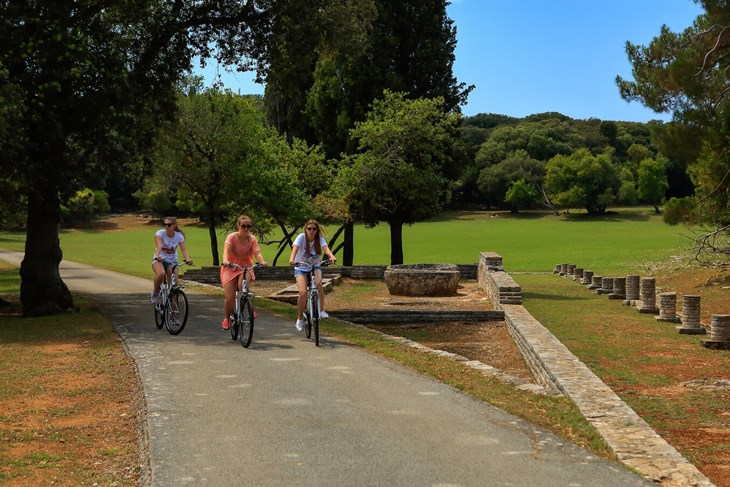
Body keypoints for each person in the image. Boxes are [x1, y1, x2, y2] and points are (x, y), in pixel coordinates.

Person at [220, 215, 267, 330]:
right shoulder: (232, 237)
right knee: (229, 297)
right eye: (243, 226)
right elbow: (226, 250)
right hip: (231, 266)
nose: (246, 228)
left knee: (243, 285)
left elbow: (257, 253)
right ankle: (227, 318)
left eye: (248, 226)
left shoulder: (252, 239)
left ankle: (248, 308)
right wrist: (225, 261)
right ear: (238, 226)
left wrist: (262, 261)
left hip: (246, 266)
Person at [288, 219, 337, 331]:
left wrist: (331, 256)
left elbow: (325, 249)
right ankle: (300, 319)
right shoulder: (301, 237)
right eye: (309, 228)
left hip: (315, 266)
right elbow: (295, 249)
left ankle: (321, 310)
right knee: (303, 292)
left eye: (314, 229)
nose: (311, 231)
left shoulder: (319, 239)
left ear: (317, 230)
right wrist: (292, 259)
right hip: (301, 267)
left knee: (319, 284)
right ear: (306, 230)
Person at [151, 216, 192, 305]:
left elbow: (183, 249)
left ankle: (173, 315)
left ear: (174, 225)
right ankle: (155, 291)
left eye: (169, 225)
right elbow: (159, 246)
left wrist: (188, 259)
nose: (166, 227)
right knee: (161, 273)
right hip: (159, 260)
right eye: (165, 224)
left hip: (172, 262)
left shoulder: (179, 236)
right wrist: (157, 256)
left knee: (174, 286)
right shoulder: (160, 233)